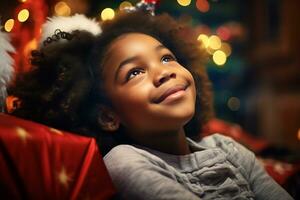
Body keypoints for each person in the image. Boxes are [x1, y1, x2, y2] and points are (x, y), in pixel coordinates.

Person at [8, 8, 293, 200]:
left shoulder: (228, 148)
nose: (164, 72)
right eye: (135, 72)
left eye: (167, 58)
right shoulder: (124, 161)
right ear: (108, 116)